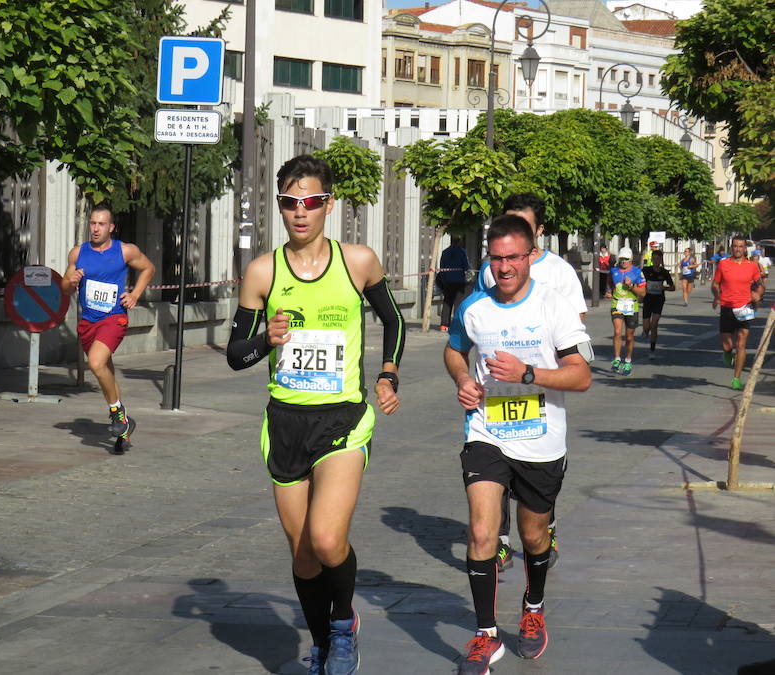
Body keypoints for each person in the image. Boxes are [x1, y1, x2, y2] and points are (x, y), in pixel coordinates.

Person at [225, 155, 405, 675]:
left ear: (328, 204)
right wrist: (267, 339)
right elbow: (237, 354)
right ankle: (322, 641)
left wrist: (389, 374)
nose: (299, 212)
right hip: (285, 423)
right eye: (288, 203)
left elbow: (393, 320)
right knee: (303, 554)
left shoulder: (358, 262)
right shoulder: (263, 271)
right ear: (278, 207)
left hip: (343, 420)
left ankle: (345, 626)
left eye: (309, 202)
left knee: (327, 539)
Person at [445, 214, 592, 674]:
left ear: (530, 256)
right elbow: (454, 348)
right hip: (486, 432)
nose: (504, 267)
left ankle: (533, 606)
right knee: (483, 532)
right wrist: (464, 377)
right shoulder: (474, 307)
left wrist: (528, 374)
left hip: (541, 441)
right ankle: (486, 635)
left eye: (513, 257)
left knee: (532, 535)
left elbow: (582, 376)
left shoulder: (554, 307)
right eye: (496, 258)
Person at [475, 193, 587, 573]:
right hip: (491, 407)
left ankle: (543, 527)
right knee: (492, 481)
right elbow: (471, 325)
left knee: (534, 506)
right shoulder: (491, 268)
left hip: (541, 403)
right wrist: (465, 375)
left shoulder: (559, 274)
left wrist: (532, 367)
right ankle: (500, 542)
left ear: (538, 231)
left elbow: (576, 336)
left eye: (522, 225)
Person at [61, 204, 155, 453]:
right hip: (88, 321)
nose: (95, 228)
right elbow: (64, 286)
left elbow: (148, 268)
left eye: (101, 224)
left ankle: (116, 413)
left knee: (95, 362)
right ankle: (123, 428)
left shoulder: (124, 251)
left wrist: (135, 294)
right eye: (92, 223)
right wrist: (70, 281)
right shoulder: (78, 253)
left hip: (113, 319)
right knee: (105, 370)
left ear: (111, 227)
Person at [712, 236, 764, 390]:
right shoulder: (723, 264)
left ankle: (736, 379)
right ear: (731, 247)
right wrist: (716, 296)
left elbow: (759, 285)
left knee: (741, 344)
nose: (738, 249)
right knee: (727, 344)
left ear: (745, 248)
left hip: (745, 307)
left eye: (741, 246)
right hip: (727, 306)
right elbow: (715, 284)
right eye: (735, 246)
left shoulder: (752, 266)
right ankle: (727, 353)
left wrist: (758, 295)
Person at [609, 247, 647, 376]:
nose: (623, 262)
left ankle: (628, 360)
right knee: (618, 331)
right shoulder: (613, 271)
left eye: (626, 259)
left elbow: (643, 292)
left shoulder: (637, 272)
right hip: (617, 304)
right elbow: (610, 284)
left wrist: (631, 287)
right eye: (621, 259)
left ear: (631, 260)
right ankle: (617, 359)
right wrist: (609, 292)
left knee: (629, 337)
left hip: (631, 306)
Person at [641, 249, 676, 360]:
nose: (656, 261)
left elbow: (673, 287)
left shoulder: (664, 272)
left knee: (654, 323)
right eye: (654, 259)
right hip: (647, 299)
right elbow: (638, 280)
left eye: (658, 259)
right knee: (647, 326)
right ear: (652, 259)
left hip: (659, 300)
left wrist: (664, 287)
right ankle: (646, 331)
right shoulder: (646, 270)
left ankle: (652, 349)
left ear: (661, 260)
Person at [437, 237, 471, 331]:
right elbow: (466, 266)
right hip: (459, 280)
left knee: (447, 302)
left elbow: (441, 267)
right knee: (458, 303)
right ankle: (456, 324)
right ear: (459, 242)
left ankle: (444, 324)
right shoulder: (462, 252)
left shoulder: (445, 252)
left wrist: (444, 279)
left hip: (447, 281)